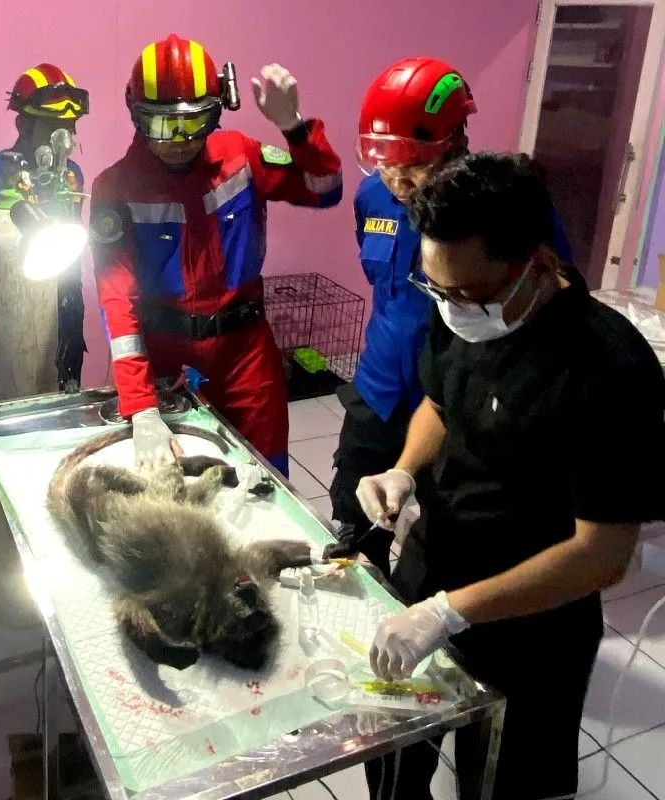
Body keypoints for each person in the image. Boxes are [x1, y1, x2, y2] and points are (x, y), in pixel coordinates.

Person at [359, 152, 665, 800]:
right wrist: (403, 470)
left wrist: (451, 613)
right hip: (436, 565)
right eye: (435, 288)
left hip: (534, 622)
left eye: (468, 294)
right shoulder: (458, 300)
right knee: (394, 757)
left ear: (540, 263)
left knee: (501, 781)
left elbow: (602, 554)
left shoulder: (608, 368)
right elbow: (439, 402)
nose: (451, 308)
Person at [326, 57, 574, 584]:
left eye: (413, 162)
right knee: (355, 518)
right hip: (379, 388)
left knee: (446, 541)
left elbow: (554, 296)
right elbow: (385, 286)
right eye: (384, 161)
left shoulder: (501, 204)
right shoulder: (372, 196)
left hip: (456, 399)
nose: (397, 178)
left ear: (456, 141)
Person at [90, 33, 343, 476]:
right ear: (136, 115)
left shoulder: (240, 156)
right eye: (162, 124)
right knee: (177, 490)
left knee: (265, 478)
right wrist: (141, 406)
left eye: (196, 120)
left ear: (219, 108)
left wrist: (294, 126)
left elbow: (326, 190)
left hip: (247, 358)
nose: (180, 139)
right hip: (165, 359)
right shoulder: (115, 187)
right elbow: (117, 299)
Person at [0, 63, 89, 389]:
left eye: (70, 127)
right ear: (22, 124)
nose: (64, 140)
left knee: (63, 395)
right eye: (53, 127)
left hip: (64, 312)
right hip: (9, 316)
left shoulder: (72, 175)